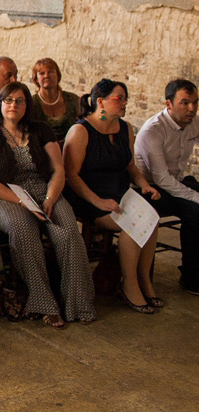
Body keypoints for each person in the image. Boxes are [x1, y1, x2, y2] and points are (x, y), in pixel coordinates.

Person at [0, 82, 96, 327]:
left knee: (69, 234)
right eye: (9, 100)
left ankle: (78, 302)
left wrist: (49, 198)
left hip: (45, 191)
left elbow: (58, 170)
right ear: (1, 104)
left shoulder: (41, 130)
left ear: (27, 105)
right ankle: (44, 304)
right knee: (25, 232)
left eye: (20, 101)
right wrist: (21, 201)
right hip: (6, 196)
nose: (14, 105)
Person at [63, 79, 162, 313]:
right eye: (119, 98)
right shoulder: (80, 131)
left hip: (120, 193)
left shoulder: (125, 128)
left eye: (125, 98)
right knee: (132, 226)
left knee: (152, 219)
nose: (125, 103)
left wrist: (143, 184)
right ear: (100, 102)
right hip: (89, 197)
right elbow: (72, 175)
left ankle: (144, 280)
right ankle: (128, 285)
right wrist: (97, 200)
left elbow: (130, 165)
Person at [134, 78, 199, 295]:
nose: (192, 108)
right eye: (185, 102)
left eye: (195, 102)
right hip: (148, 190)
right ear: (168, 104)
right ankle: (191, 276)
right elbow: (162, 180)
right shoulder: (153, 130)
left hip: (177, 182)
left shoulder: (193, 122)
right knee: (195, 210)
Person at [28, 58, 81, 141]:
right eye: (42, 73)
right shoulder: (31, 103)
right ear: (36, 79)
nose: (46, 75)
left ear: (58, 76)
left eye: (51, 72)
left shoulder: (73, 99)